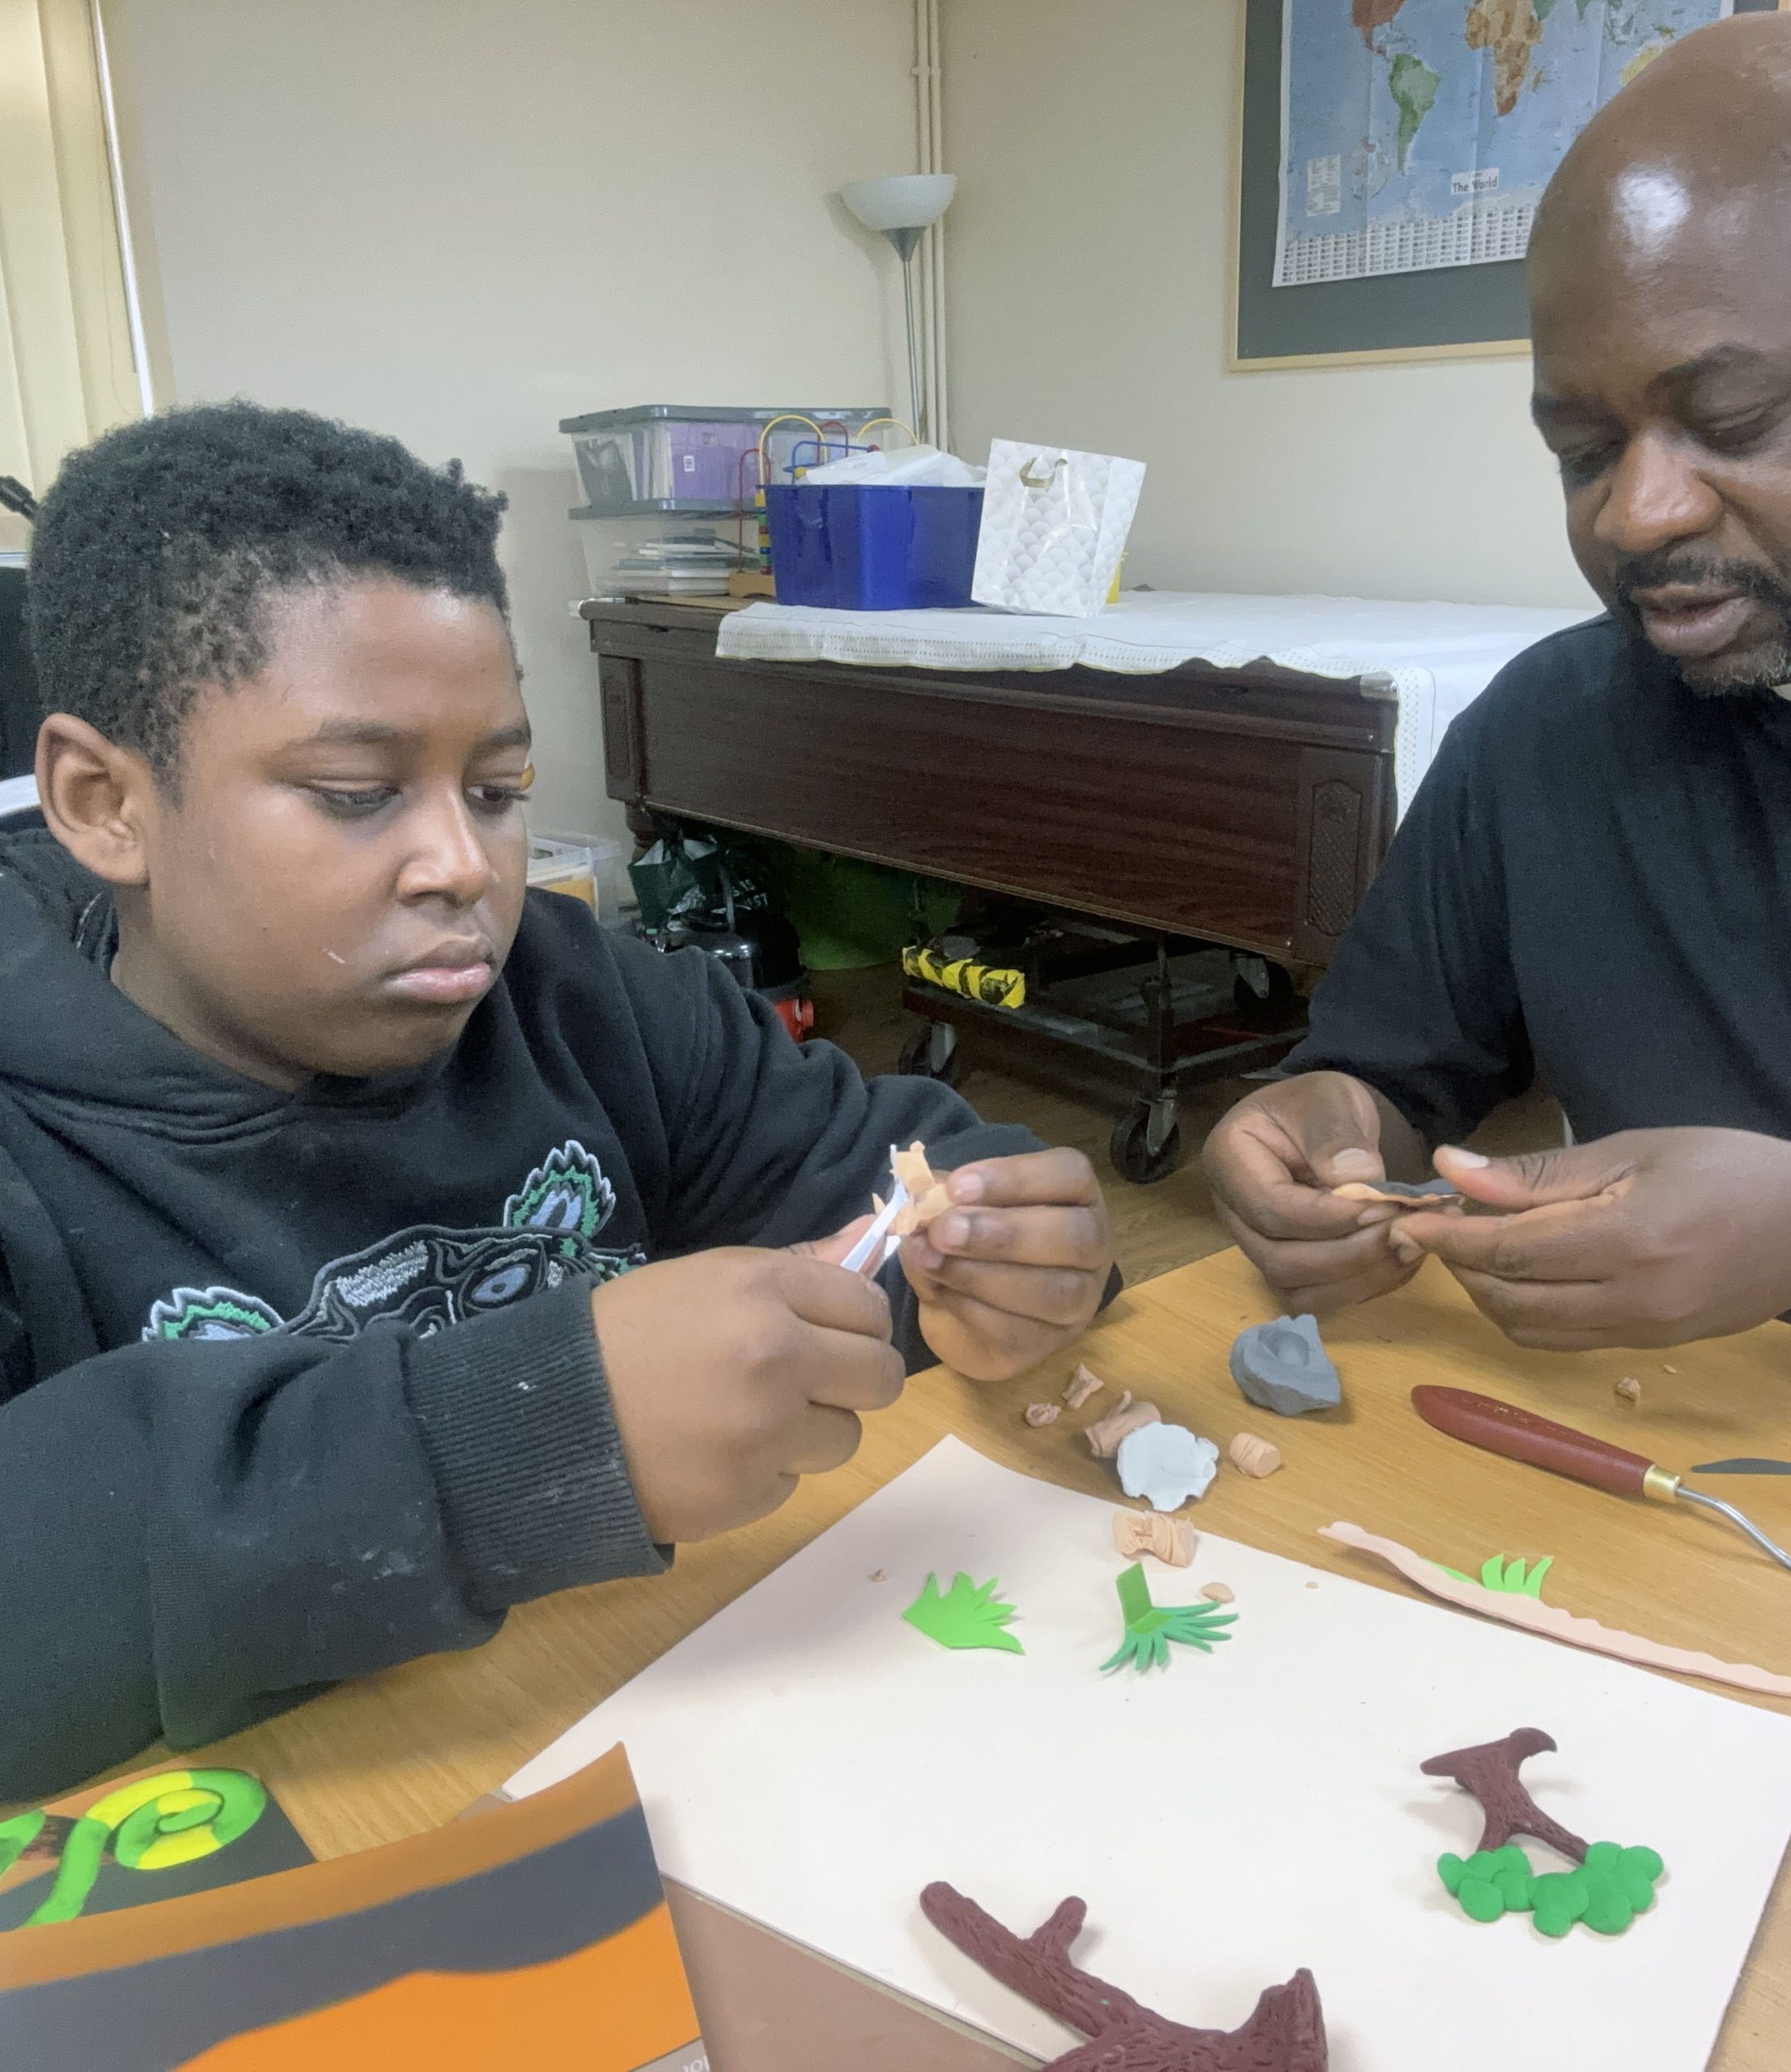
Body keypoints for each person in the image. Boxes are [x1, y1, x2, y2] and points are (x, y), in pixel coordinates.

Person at [0, 401, 1113, 1797]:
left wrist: (1008, 1253)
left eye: (498, 788)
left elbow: (890, 1173)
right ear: (103, 802)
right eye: (355, 791)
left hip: (674, 1759)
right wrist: (524, 1438)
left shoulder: (583, 998)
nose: (464, 866)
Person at [1205, 12, 1791, 1408]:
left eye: (1732, 421)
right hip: (1643, 1464)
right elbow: (1391, 1083)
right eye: (1583, 450)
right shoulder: (1543, 729)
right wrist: (1317, 1127)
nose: (1638, 514)